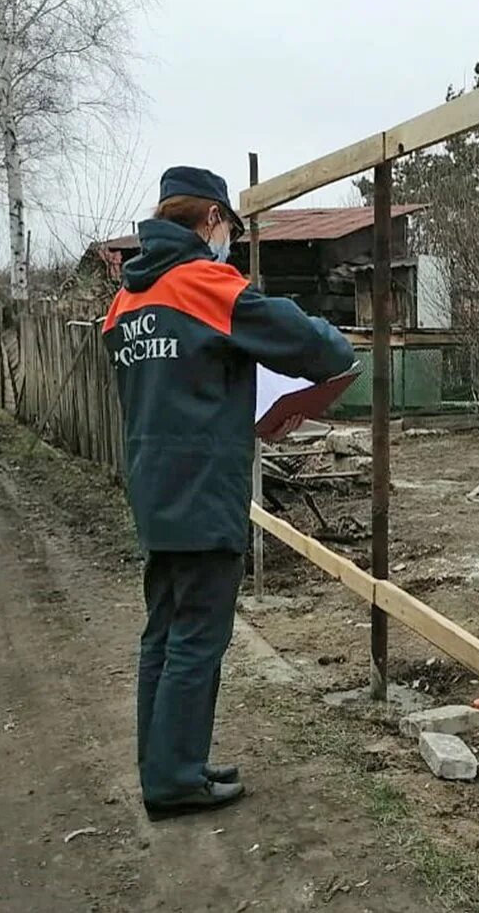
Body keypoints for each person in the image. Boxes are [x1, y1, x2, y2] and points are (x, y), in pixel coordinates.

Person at [102, 165, 355, 819]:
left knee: (163, 633)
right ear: (212, 219)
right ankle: (175, 778)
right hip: (204, 489)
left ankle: (166, 762)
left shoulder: (127, 300)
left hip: (154, 491)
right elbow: (312, 344)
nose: (230, 248)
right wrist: (325, 337)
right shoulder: (205, 284)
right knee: (197, 638)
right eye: (230, 234)